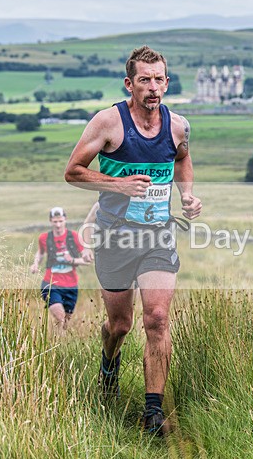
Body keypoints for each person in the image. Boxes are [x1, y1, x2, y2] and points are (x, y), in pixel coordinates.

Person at [64, 45, 202, 436]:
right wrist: (118, 184)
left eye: (160, 79)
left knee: (157, 318)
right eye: (145, 80)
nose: (153, 87)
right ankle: (109, 364)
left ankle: (153, 412)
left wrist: (186, 195)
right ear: (130, 83)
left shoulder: (178, 126)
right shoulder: (108, 123)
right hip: (115, 238)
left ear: (167, 82)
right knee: (119, 325)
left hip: (158, 236)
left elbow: (182, 159)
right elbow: (73, 171)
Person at [29, 207, 87, 335]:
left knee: (65, 322)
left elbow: (86, 259)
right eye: (55, 222)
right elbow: (40, 253)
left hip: (71, 285)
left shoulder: (74, 237)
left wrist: (72, 260)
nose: (58, 225)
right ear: (50, 221)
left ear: (65, 220)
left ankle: (58, 343)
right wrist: (35, 264)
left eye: (60, 221)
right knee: (60, 317)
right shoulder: (44, 238)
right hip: (50, 283)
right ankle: (58, 344)